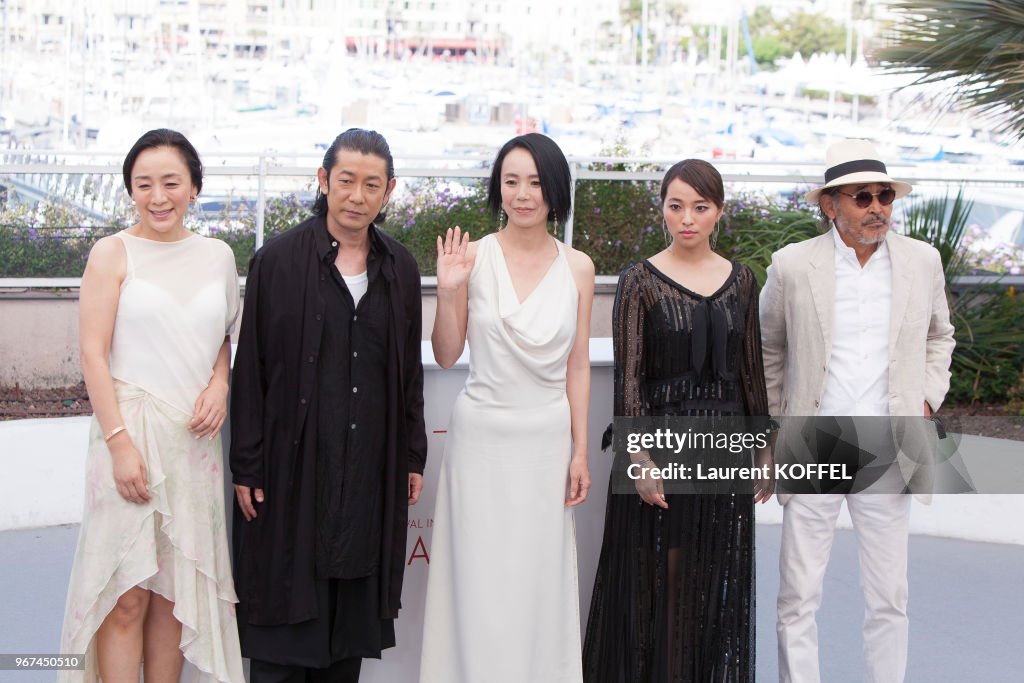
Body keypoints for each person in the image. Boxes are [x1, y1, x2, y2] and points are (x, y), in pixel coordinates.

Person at [229, 128, 427, 683]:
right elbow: (252, 373)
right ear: (323, 181)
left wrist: (413, 455)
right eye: (346, 181)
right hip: (291, 471)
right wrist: (246, 464)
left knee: (348, 635)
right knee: (281, 624)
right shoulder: (277, 262)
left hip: (368, 469)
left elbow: (408, 374)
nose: (357, 196)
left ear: (388, 191)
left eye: (371, 185)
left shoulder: (400, 268)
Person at [760, 139, 955, 683]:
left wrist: (924, 398)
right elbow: (769, 347)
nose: (878, 208)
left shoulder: (922, 262)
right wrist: (778, 425)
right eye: (862, 197)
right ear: (830, 205)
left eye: (885, 195)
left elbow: (942, 337)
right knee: (798, 595)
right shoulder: (793, 265)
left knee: (889, 596)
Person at [59, 129, 244, 682]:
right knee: (126, 595)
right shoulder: (112, 253)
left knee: (172, 596)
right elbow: (93, 354)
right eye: (144, 184)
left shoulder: (218, 256)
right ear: (130, 190)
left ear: (194, 187)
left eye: (171, 183)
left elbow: (222, 338)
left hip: (193, 443)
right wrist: (119, 444)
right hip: (129, 436)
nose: (157, 196)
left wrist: (220, 385)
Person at [582, 159, 773, 682]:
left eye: (700, 207)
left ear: (719, 213)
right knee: (658, 585)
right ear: (662, 209)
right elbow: (629, 380)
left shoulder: (742, 282)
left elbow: (750, 368)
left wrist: (764, 448)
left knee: (714, 584)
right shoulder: (639, 280)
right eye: (676, 205)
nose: (687, 218)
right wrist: (639, 458)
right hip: (660, 453)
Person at [420, 133, 595, 683]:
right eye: (512, 181)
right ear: (498, 187)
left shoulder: (579, 267)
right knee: (477, 582)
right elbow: (447, 355)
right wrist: (449, 291)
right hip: (481, 444)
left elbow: (578, 365)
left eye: (537, 182)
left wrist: (580, 449)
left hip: (545, 444)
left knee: (535, 583)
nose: (523, 194)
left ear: (556, 190)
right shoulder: (473, 256)